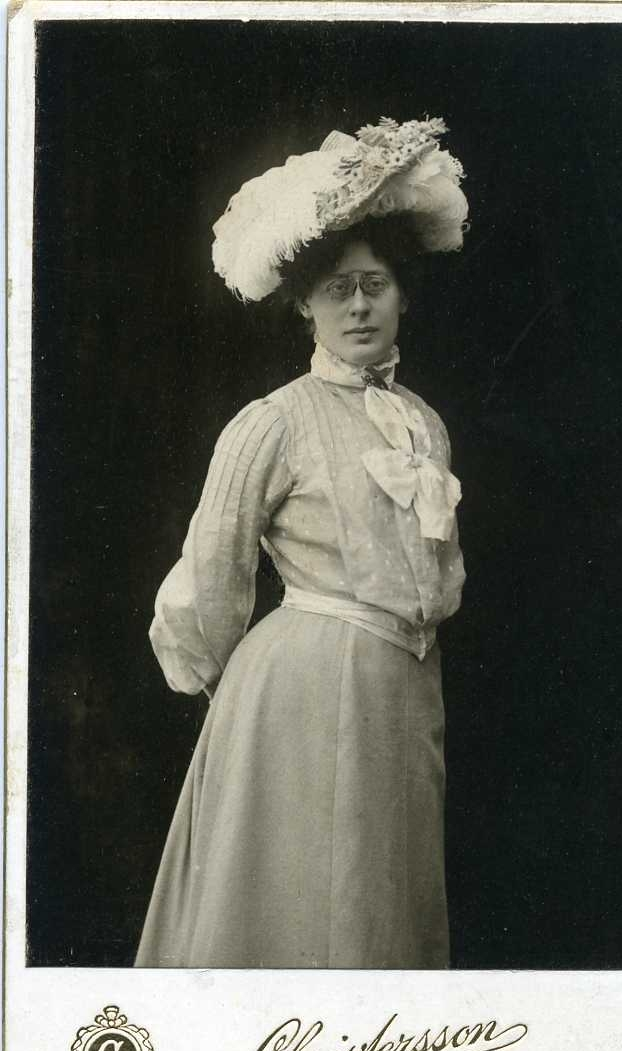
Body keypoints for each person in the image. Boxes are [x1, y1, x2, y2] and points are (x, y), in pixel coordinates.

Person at [135, 117, 469, 969]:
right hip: (303, 690)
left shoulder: (423, 423)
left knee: (380, 896)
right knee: (303, 897)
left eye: (374, 285)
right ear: (303, 305)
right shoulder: (274, 421)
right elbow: (213, 567)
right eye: (336, 288)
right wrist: (224, 686)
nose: (358, 305)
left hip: (407, 688)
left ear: (402, 295)